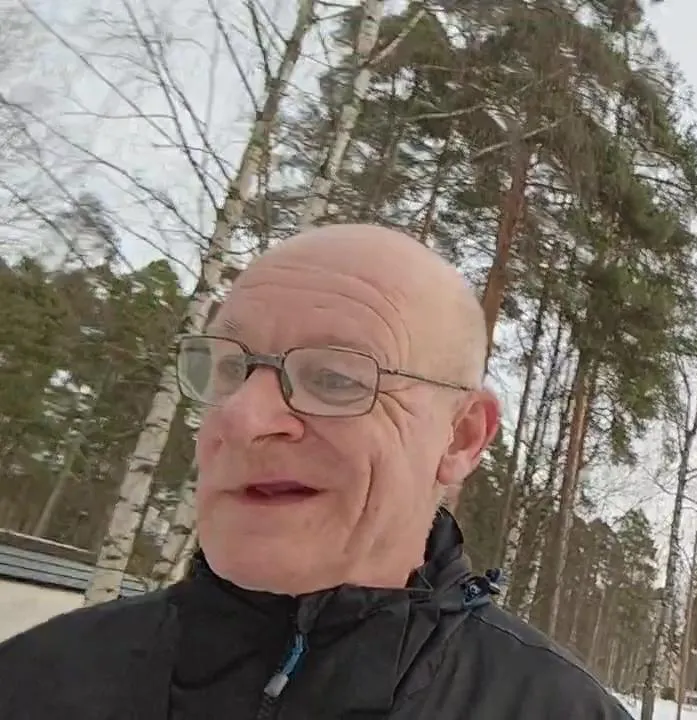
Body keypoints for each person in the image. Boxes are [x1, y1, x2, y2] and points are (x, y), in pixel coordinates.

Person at [0, 224, 633, 719]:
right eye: (229, 369)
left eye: (334, 377)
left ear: (461, 436)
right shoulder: (34, 681)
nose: (242, 417)